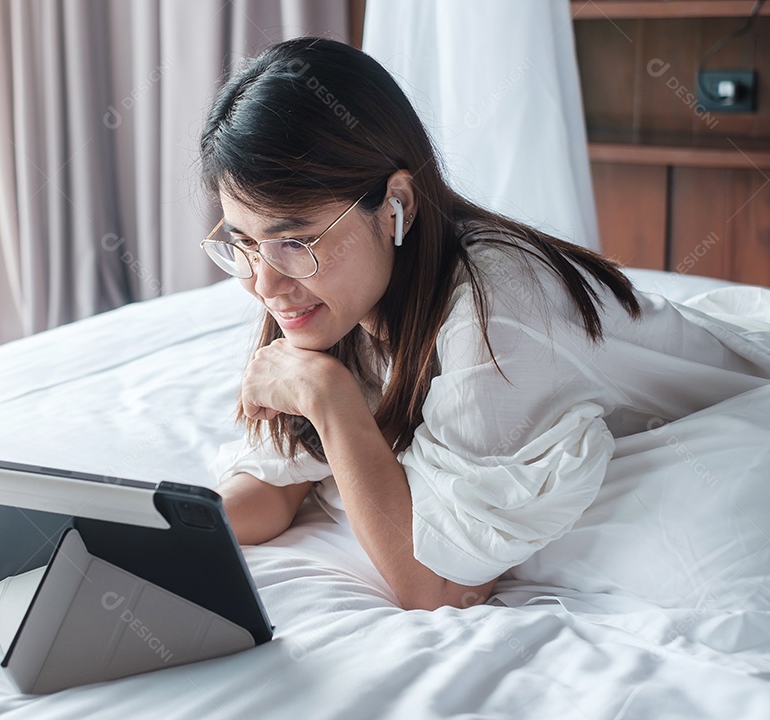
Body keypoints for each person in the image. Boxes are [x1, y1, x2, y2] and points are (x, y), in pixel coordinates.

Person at [198, 37, 770, 612]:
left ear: (397, 204)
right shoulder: (334, 296)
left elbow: (442, 587)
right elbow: (281, 479)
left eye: (297, 241)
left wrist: (327, 398)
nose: (264, 285)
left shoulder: (495, 321)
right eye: (244, 243)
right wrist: (171, 532)